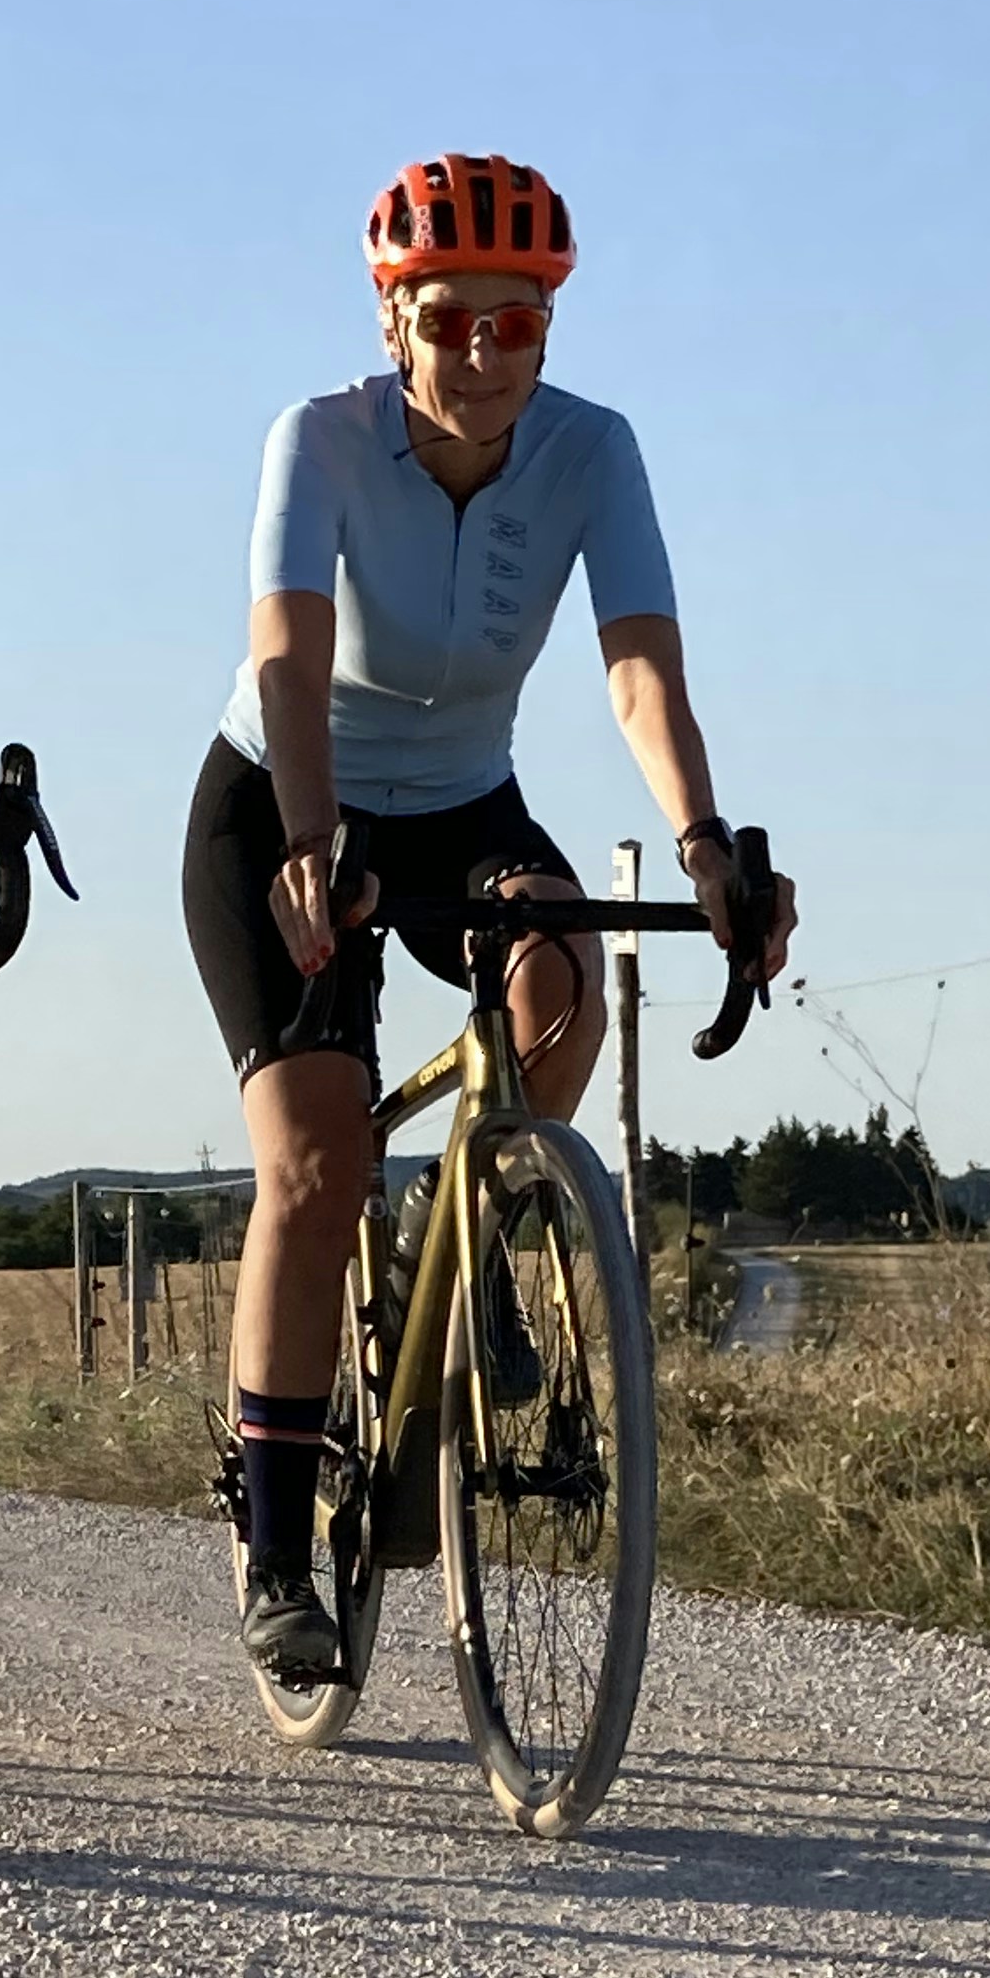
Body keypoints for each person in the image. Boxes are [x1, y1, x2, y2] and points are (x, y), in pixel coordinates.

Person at [183, 151, 795, 1679]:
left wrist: (707, 842)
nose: (481, 356)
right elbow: (287, 644)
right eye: (449, 320)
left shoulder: (592, 453)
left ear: (549, 332)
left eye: (513, 327)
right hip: (284, 794)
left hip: (463, 799)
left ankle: (490, 1229)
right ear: (396, 320)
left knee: (563, 976)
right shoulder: (318, 441)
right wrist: (315, 840)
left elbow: (639, 663)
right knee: (318, 1169)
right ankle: (274, 1549)